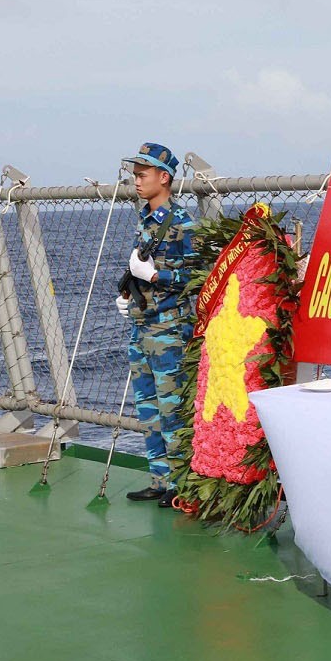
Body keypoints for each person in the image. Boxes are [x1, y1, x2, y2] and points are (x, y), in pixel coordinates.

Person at [116, 142, 196, 508]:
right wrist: (130, 293)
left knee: (172, 408)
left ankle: (183, 485)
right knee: (147, 406)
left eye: (142, 174)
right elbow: (139, 270)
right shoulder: (145, 221)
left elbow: (199, 275)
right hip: (143, 327)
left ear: (164, 178)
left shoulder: (182, 223)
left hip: (169, 329)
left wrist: (156, 274)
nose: (136, 180)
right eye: (134, 174)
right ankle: (160, 479)